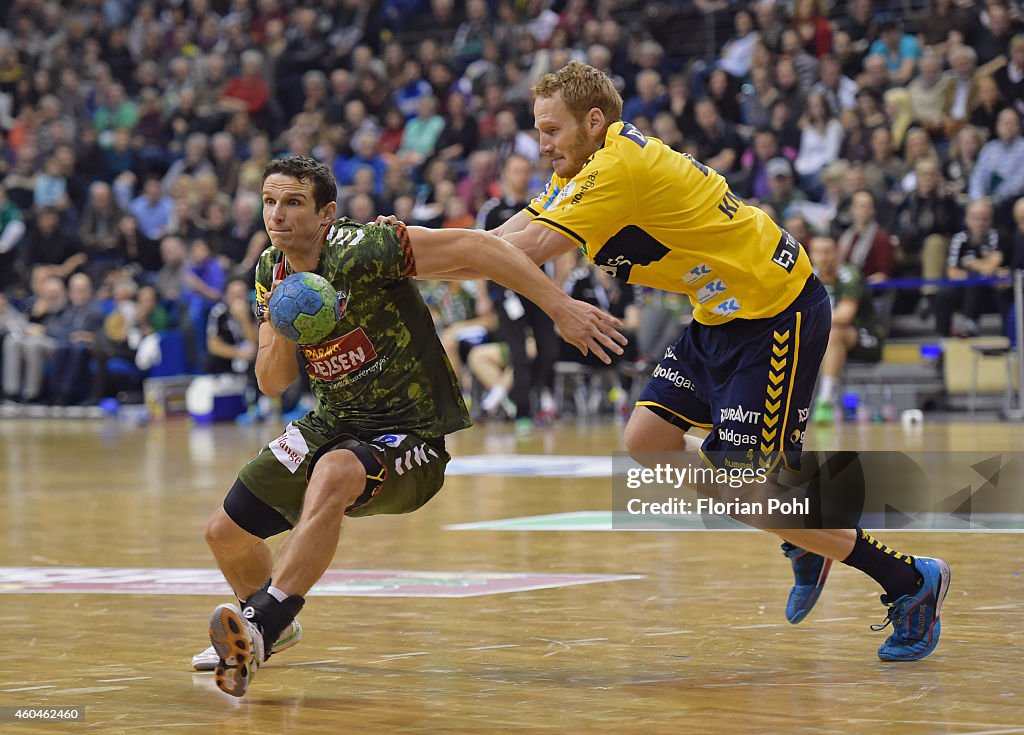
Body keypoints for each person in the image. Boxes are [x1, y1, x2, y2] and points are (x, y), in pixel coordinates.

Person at [489, 61, 949, 662]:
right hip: (718, 317)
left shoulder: (616, 169)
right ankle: (803, 536)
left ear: (593, 122)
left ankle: (909, 579)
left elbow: (522, 250)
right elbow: (499, 241)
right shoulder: (581, 170)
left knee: (744, 487)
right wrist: (403, 251)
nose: (542, 143)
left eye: (550, 130)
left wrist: (402, 259)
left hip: (778, 315)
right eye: (538, 131)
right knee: (648, 440)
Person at [196, 156, 623, 697]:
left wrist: (560, 307)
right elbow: (273, 383)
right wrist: (283, 319)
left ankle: (261, 624)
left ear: (326, 214)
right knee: (225, 533)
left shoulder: (367, 247)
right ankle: (270, 629)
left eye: (293, 203)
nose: (277, 215)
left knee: (334, 472)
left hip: (410, 431)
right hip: (334, 419)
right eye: (269, 202)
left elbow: (478, 247)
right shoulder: (268, 271)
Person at [807, 236, 885, 423]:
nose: (824, 257)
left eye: (828, 251)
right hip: (823, 337)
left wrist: (809, 321)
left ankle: (825, 402)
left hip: (864, 336)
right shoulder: (807, 276)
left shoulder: (849, 275)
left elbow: (844, 316)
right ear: (810, 255)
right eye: (818, 252)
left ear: (838, 253)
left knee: (834, 333)